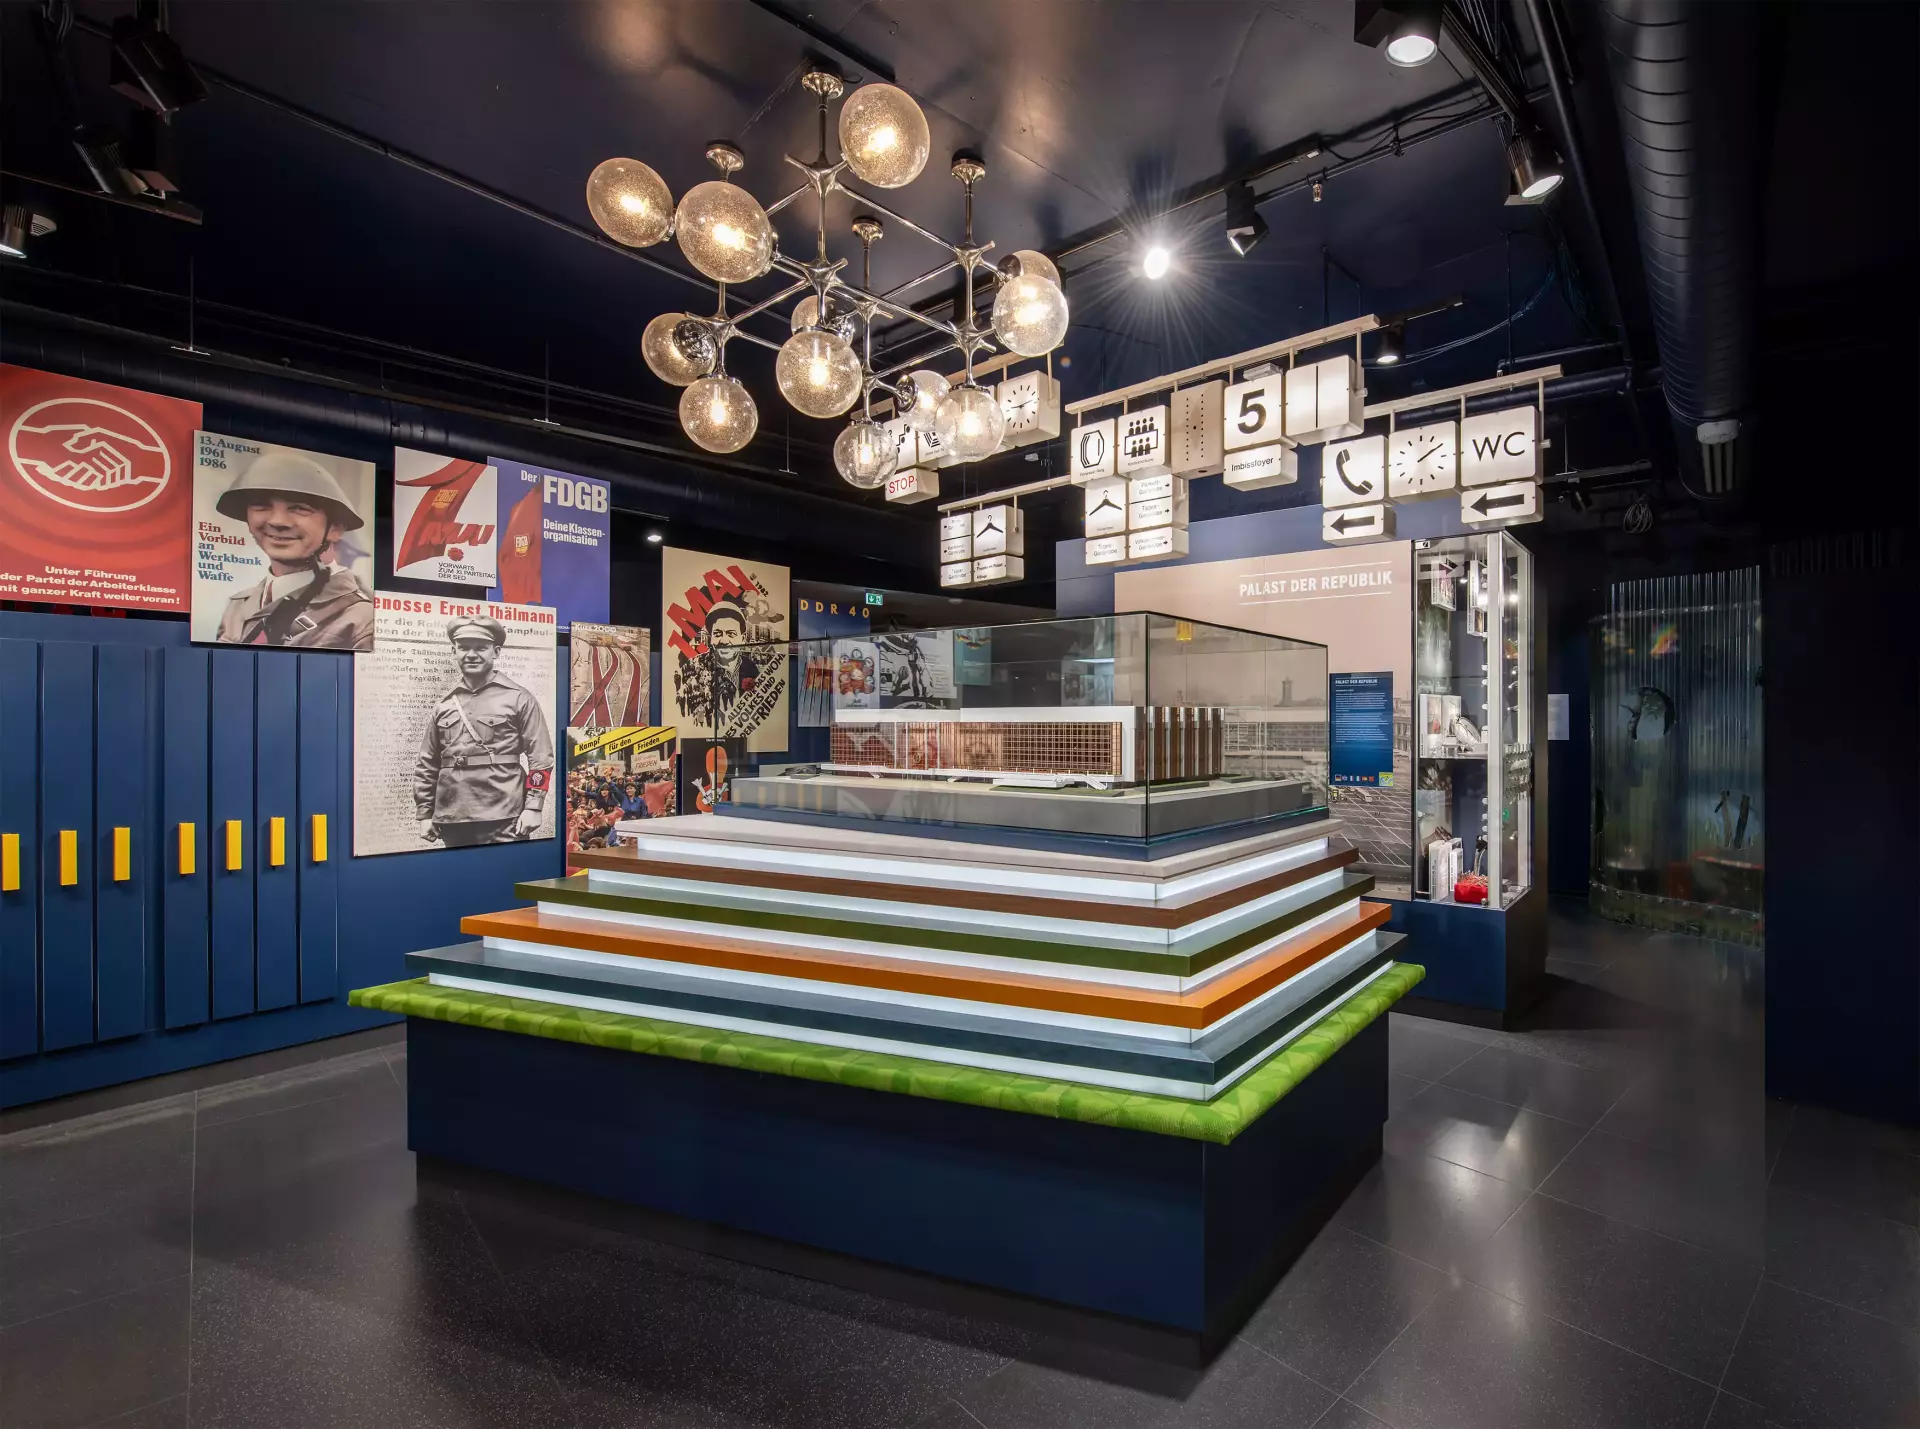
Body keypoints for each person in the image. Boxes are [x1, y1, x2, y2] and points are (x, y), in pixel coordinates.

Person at [413, 616, 555, 847]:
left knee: (506, 870)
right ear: (454, 651)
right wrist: (425, 813)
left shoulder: (519, 698)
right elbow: (427, 762)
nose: (471, 655)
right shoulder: (445, 705)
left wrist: (533, 806)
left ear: (495, 652)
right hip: (453, 816)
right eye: (464, 648)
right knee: (461, 871)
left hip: (504, 815)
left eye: (480, 648)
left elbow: (541, 757)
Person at [214, 450, 374, 650]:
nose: (278, 521)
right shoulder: (238, 606)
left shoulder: (361, 618)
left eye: (300, 508)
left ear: (335, 528)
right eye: (261, 505)